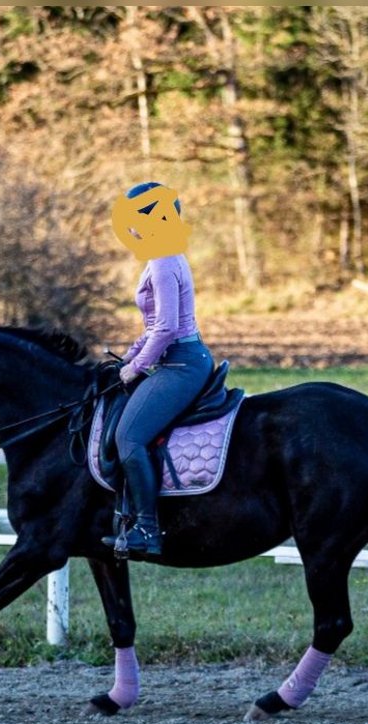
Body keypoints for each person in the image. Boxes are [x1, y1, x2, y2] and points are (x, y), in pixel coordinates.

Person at [106, 182, 213, 558]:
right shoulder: (160, 255)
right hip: (175, 357)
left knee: (129, 438)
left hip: (181, 363)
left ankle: (148, 530)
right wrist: (128, 354)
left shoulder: (165, 259)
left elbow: (167, 327)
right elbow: (155, 324)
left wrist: (137, 366)